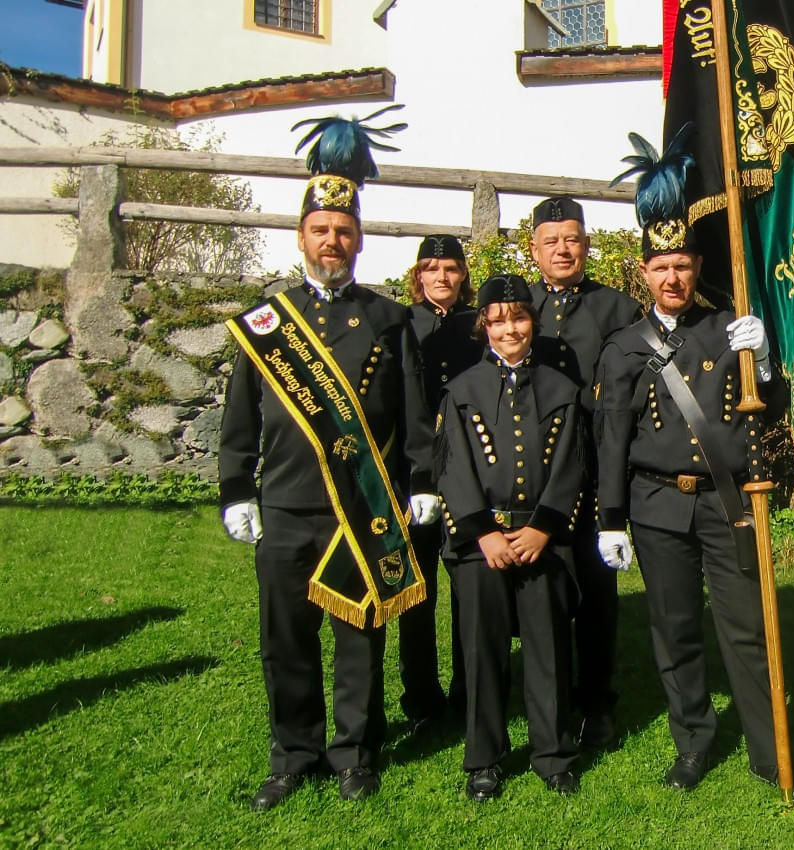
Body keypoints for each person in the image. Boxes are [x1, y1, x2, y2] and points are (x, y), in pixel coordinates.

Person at [219, 110, 437, 811]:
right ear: (302, 237)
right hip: (284, 505)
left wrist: (422, 482)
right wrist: (235, 491)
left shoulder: (387, 319)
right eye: (321, 230)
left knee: (358, 637)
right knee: (284, 642)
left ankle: (355, 753)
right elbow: (240, 418)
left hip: (358, 506)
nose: (332, 241)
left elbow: (410, 414)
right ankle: (294, 754)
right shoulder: (267, 322)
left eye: (344, 231)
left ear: (359, 239)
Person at [594, 133, 794, 802]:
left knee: (747, 630)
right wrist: (611, 519)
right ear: (644, 274)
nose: (673, 278)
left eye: (683, 266)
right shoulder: (624, 348)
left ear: (696, 267)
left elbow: (771, 408)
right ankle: (692, 743)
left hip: (730, 506)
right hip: (657, 505)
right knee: (676, 630)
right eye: (660, 267)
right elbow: (612, 437)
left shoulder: (729, 328)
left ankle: (767, 750)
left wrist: (769, 359)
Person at [434, 273, 583, 800]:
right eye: (497, 321)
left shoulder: (562, 389)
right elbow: (451, 468)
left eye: (518, 318)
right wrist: (483, 534)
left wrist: (543, 526)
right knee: (482, 651)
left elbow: (571, 464)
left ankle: (553, 753)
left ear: (532, 322)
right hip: (483, 544)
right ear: (484, 328)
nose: (509, 329)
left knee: (548, 649)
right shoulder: (461, 391)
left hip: (541, 538)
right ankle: (484, 758)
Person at [527, 197, 642, 748]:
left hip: (595, 474)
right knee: (540, 592)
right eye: (551, 241)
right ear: (534, 250)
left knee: (597, 596)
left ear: (587, 244)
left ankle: (597, 703)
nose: (563, 249)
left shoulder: (618, 309)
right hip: (532, 478)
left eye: (572, 239)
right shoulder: (517, 307)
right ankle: (543, 698)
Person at [399, 233, 484, 728]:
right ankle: (421, 697)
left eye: (451, 268)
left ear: (462, 276)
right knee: (418, 589)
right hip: (416, 471)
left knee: (468, 586)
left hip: (469, 470)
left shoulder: (479, 325)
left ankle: (469, 688)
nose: (442, 277)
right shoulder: (401, 324)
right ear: (418, 277)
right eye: (432, 268)